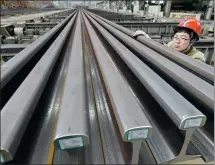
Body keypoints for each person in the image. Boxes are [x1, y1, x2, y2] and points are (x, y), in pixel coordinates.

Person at [133, 18, 205, 62]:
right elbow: (160, 48)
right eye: (176, 37)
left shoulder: (197, 57)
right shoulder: (171, 45)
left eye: (183, 38)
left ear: (192, 41)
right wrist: (146, 39)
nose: (177, 42)